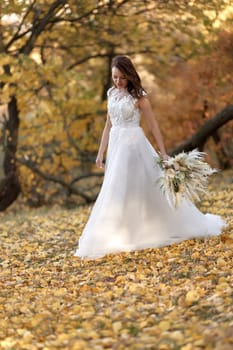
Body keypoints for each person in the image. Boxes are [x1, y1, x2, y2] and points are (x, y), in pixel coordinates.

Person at [74, 55, 225, 259]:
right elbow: (108, 126)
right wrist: (101, 153)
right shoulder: (111, 94)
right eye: (114, 77)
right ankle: (118, 232)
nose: (118, 82)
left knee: (138, 186)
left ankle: (146, 228)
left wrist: (163, 153)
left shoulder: (139, 97)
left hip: (134, 145)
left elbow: (153, 126)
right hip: (116, 145)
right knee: (116, 187)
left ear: (130, 76)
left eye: (121, 78)